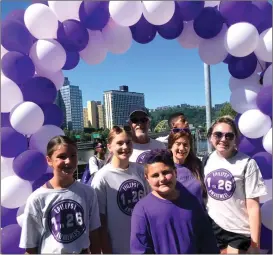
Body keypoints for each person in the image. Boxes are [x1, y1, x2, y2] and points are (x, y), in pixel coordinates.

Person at [19, 135, 101, 254]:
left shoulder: (88, 192)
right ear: (49, 160)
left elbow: (94, 233)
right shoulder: (38, 198)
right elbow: (30, 246)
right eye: (61, 157)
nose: (68, 161)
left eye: (73, 155)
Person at [130, 149, 219, 254]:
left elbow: (207, 241)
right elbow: (140, 250)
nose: (162, 179)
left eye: (166, 172)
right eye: (155, 175)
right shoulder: (142, 210)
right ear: (147, 178)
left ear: (175, 172)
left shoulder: (191, 202)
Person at [204, 116, 267, 254]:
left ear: (235, 139)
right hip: (213, 227)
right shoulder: (208, 159)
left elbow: (253, 206)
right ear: (210, 137)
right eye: (218, 134)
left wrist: (255, 244)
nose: (223, 139)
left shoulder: (247, 163)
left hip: (238, 231)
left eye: (229, 136)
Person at [91, 126, 149, 254]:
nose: (125, 147)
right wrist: (106, 249)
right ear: (109, 146)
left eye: (128, 142)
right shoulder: (102, 178)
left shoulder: (140, 170)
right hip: (118, 247)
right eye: (119, 143)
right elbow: (100, 219)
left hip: (143, 243)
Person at [168, 129, 207, 205]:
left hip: (199, 215)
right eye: (178, 144)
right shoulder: (166, 168)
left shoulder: (197, 165)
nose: (182, 148)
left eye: (185, 144)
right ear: (171, 146)